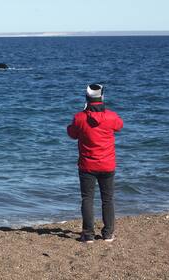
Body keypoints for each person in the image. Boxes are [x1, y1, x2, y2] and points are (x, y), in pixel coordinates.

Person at [67, 84, 123, 243]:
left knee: (87, 198)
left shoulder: (79, 117)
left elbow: (72, 133)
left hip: (87, 166)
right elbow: (120, 125)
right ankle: (108, 233)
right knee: (108, 199)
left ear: (86, 98)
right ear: (102, 97)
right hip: (107, 164)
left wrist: (84, 113)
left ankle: (88, 234)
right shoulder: (111, 116)